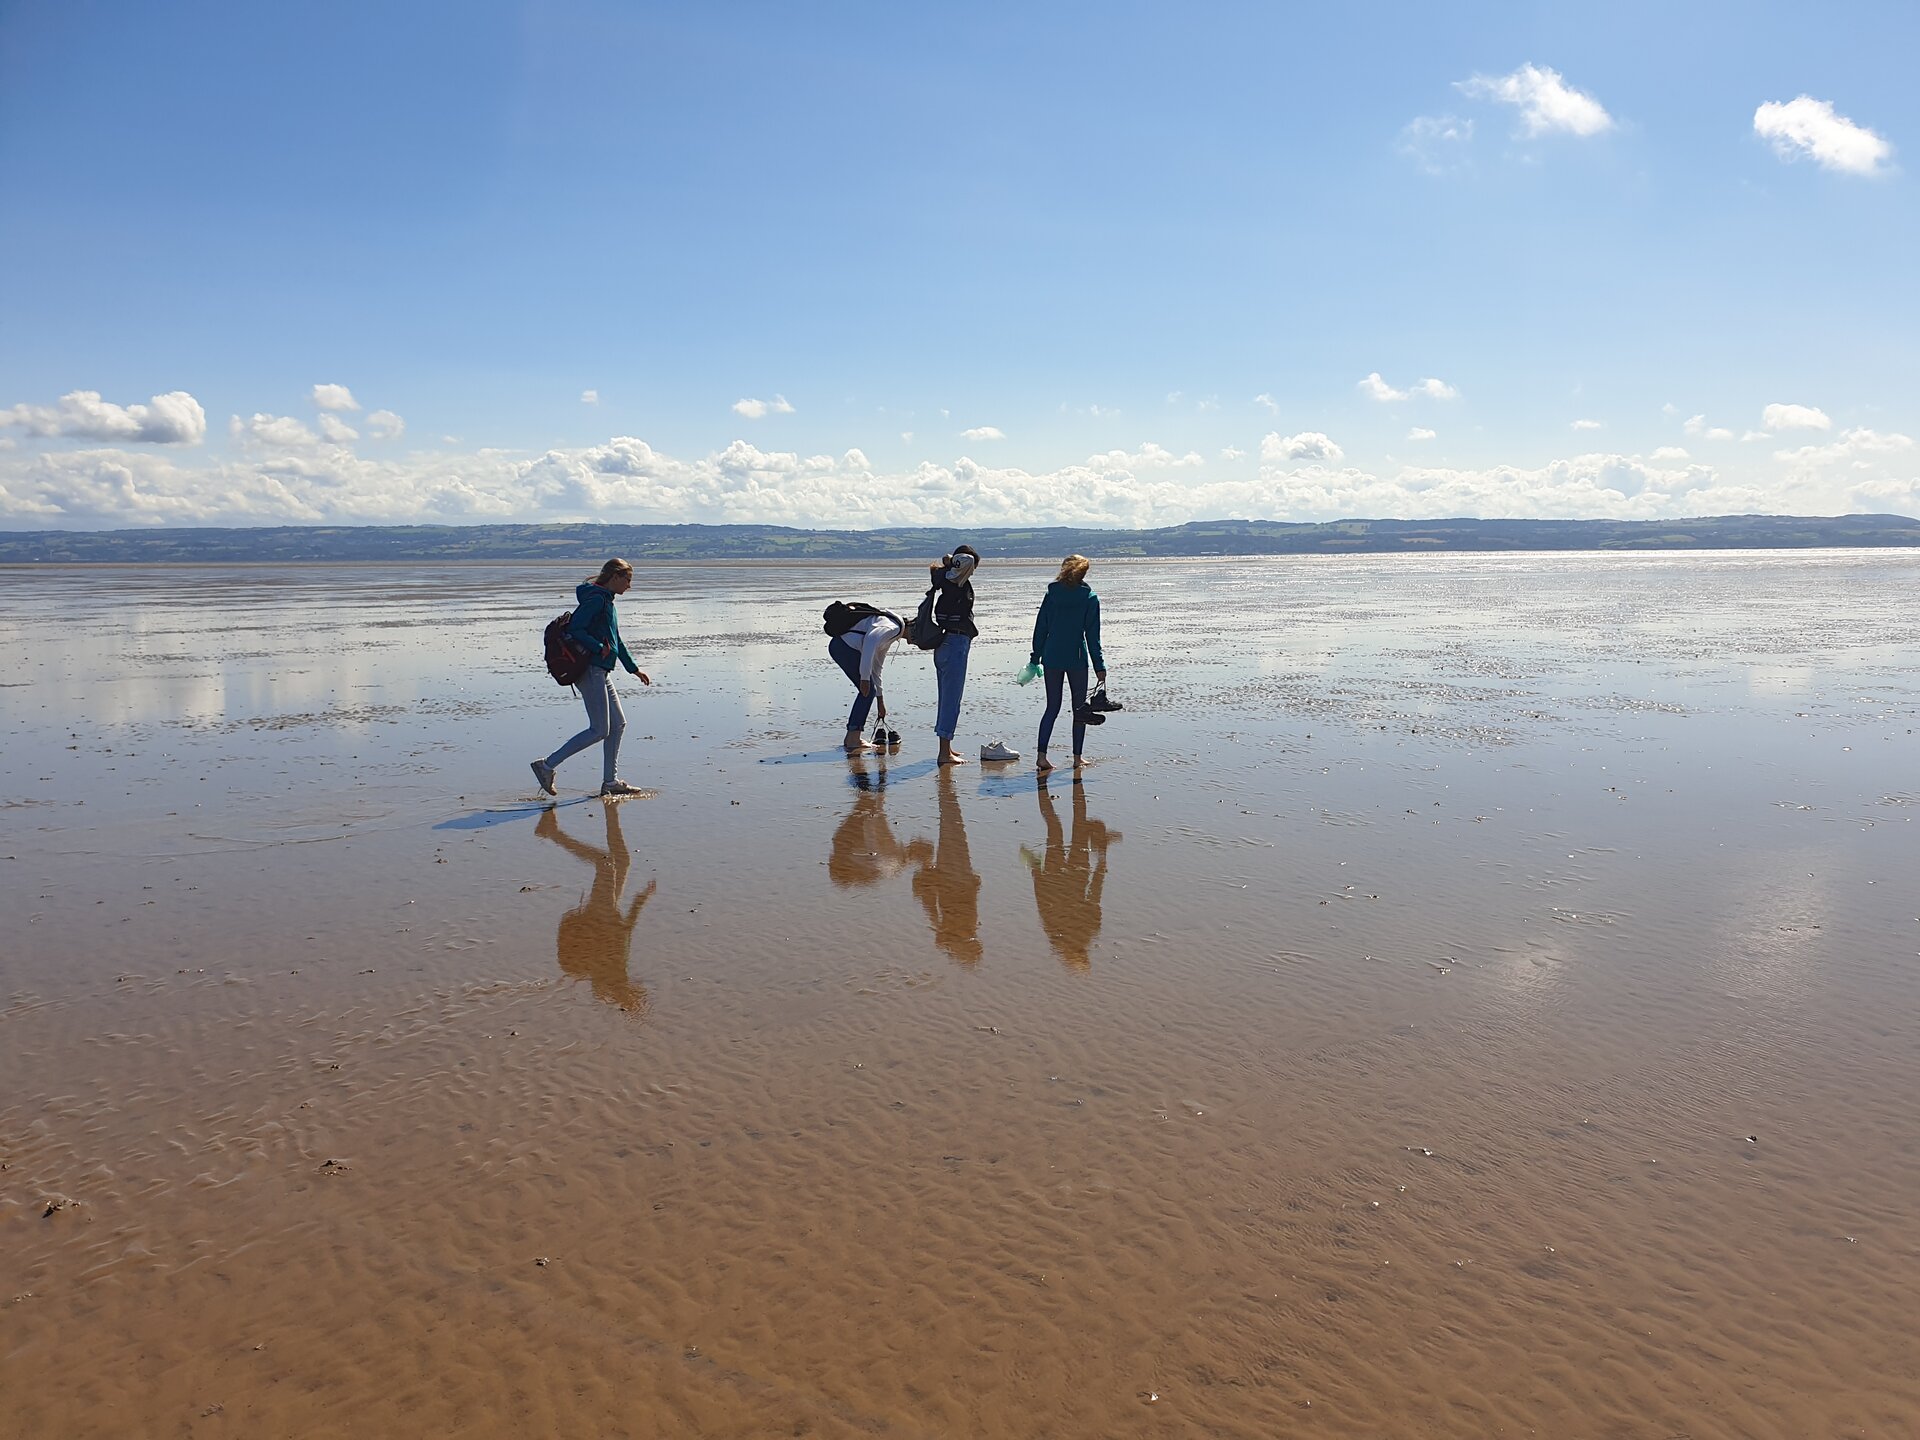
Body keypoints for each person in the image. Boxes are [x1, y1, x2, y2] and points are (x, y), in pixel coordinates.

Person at [531, 558, 652, 798]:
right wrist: (597, 647)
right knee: (599, 730)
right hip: (590, 670)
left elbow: (616, 640)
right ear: (615, 577)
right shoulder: (596, 599)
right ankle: (546, 766)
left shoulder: (607, 601)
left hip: (601, 671)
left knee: (617, 725)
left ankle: (610, 781)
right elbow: (576, 628)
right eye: (627, 580)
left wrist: (633, 668)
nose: (629, 585)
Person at [537, 802, 655, 1015]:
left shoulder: (614, 969)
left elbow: (626, 928)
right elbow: (626, 928)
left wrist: (641, 899)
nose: (638, 984)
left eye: (635, 989)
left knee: (607, 864)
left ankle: (554, 833)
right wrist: (641, 899)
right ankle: (610, 815)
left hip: (600, 918)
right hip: (603, 917)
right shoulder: (611, 973)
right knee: (622, 861)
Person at [1021, 776, 1120, 971]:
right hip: (1072, 874)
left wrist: (1036, 870)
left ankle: (1043, 787)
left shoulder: (1062, 929)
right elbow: (1094, 893)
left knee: (1062, 827)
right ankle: (1043, 788)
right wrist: (1035, 870)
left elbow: (1044, 899)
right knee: (1059, 827)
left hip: (1067, 874)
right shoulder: (1077, 928)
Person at [1029, 554, 1107, 773]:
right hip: (1076, 658)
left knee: (1052, 708)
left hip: (1052, 656)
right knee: (1079, 709)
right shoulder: (1090, 598)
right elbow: (1093, 637)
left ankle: (1041, 756)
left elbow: (1040, 628)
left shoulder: (1051, 596)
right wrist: (1099, 666)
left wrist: (1035, 657)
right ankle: (1077, 758)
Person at [911, 767, 983, 964]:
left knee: (954, 834)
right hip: (957, 881)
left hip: (955, 882)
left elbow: (933, 908)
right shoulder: (962, 928)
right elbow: (935, 908)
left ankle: (947, 796)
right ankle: (947, 796)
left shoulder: (957, 929)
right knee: (954, 834)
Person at [928, 545, 981, 765]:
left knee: (946, 697)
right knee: (952, 699)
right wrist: (952, 561)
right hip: (955, 643)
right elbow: (965, 561)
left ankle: (946, 747)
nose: (974, 570)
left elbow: (961, 562)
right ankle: (944, 753)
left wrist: (950, 563)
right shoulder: (955, 579)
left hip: (944, 643)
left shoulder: (947, 581)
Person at [828, 605, 902, 752]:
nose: (914, 642)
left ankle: (851, 738)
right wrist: (864, 679)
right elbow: (870, 639)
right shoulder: (893, 628)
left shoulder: (891, 631)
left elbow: (877, 668)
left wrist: (880, 701)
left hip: (839, 646)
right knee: (866, 692)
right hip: (844, 648)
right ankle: (853, 739)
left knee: (869, 692)